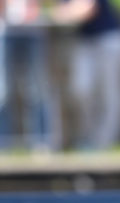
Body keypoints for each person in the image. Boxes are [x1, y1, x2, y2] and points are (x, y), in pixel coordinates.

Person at [51, 0, 120, 150]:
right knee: (80, 90)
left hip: (110, 39)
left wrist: (69, 12)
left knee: (109, 93)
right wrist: (70, 11)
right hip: (85, 41)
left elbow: (87, 10)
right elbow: (58, 12)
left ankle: (104, 142)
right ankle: (89, 139)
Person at [0, 0, 57, 151]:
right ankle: (3, 143)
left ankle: (42, 142)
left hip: (33, 32)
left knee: (37, 92)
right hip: (6, 31)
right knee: (3, 92)